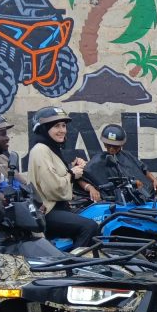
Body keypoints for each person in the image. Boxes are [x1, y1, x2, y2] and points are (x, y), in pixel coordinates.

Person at [26, 106, 100, 249]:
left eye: (64, 125)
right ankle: (74, 265)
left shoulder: (51, 149)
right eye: (56, 126)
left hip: (58, 208)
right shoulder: (41, 150)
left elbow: (55, 173)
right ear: (44, 129)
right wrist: (72, 174)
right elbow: (53, 187)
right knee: (90, 227)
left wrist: (73, 167)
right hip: (48, 211)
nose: (62, 130)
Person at [83, 123, 157, 197]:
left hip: (145, 195)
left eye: (115, 146)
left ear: (121, 144)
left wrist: (154, 180)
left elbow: (144, 169)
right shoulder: (97, 160)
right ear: (104, 143)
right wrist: (90, 188)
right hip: (122, 200)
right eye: (109, 145)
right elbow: (81, 177)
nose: (111, 149)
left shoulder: (127, 155)